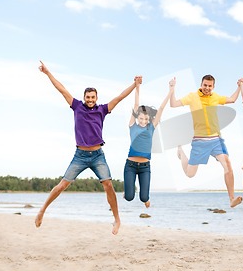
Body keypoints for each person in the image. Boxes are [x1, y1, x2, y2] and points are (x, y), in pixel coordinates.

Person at [34, 60, 140, 235]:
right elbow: (61, 89)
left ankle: (117, 219)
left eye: (93, 97)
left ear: (96, 98)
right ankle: (42, 211)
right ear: (84, 98)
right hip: (80, 156)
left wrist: (134, 84)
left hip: (98, 155)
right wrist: (47, 73)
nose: (90, 100)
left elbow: (120, 97)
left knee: (108, 185)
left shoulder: (103, 110)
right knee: (61, 186)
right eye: (88, 97)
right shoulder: (76, 107)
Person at [169, 75, 243, 208]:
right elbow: (173, 104)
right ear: (201, 84)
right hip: (199, 141)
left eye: (210, 86)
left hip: (216, 139)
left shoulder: (216, 97)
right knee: (190, 174)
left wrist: (239, 87)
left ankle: (231, 198)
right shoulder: (192, 97)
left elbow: (232, 99)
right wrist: (172, 88)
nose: (207, 88)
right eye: (205, 85)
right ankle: (181, 153)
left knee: (228, 165)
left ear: (213, 87)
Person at [123, 79, 171, 208]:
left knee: (144, 197)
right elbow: (136, 104)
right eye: (141, 118)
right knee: (129, 197)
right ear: (137, 117)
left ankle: (145, 199)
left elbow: (161, 108)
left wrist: (171, 91)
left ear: (149, 118)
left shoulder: (151, 127)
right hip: (130, 165)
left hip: (145, 167)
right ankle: (127, 192)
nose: (143, 121)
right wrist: (137, 87)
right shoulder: (132, 125)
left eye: (145, 118)